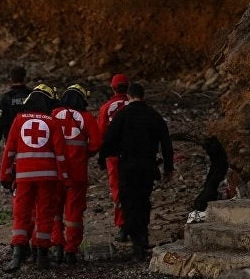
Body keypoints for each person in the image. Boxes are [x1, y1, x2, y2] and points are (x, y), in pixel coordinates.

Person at [97, 82, 174, 261]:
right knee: (143, 201)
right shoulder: (153, 115)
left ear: (129, 97)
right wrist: (168, 167)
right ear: (143, 96)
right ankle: (143, 236)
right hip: (148, 166)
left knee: (129, 204)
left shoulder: (122, 115)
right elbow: (166, 143)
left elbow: (109, 139)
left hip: (128, 167)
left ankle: (137, 245)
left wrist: (103, 159)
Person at [0, 83, 66, 272]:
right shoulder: (52, 122)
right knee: (45, 214)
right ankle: (42, 257)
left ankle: (17, 255)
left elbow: (9, 151)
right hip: (48, 178)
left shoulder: (19, 120)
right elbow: (61, 155)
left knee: (21, 214)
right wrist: (65, 178)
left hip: (24, 177)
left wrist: (5, 174)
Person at [50, 84, 102, 264]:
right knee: (74, 212)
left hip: (55, 172)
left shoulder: (53, 114)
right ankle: (71, 250)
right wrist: (84, 154)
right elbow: (96, 143)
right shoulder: (87, 117)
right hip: (77, 173)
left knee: (54, 209)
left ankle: (57, 244)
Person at [97, 73, 130, 242]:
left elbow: (101, 134)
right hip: (134, 154)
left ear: (112, 87)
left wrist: (102, 155)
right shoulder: (135, 104)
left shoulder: (106, 108)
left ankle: (122, 225)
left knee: (118, 190)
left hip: (114, 156)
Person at [0, 66, 32, 155]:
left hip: (11, 139)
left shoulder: (6, 98)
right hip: (31, 139)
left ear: (11, 79)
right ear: (25, 78)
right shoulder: (33, 95)